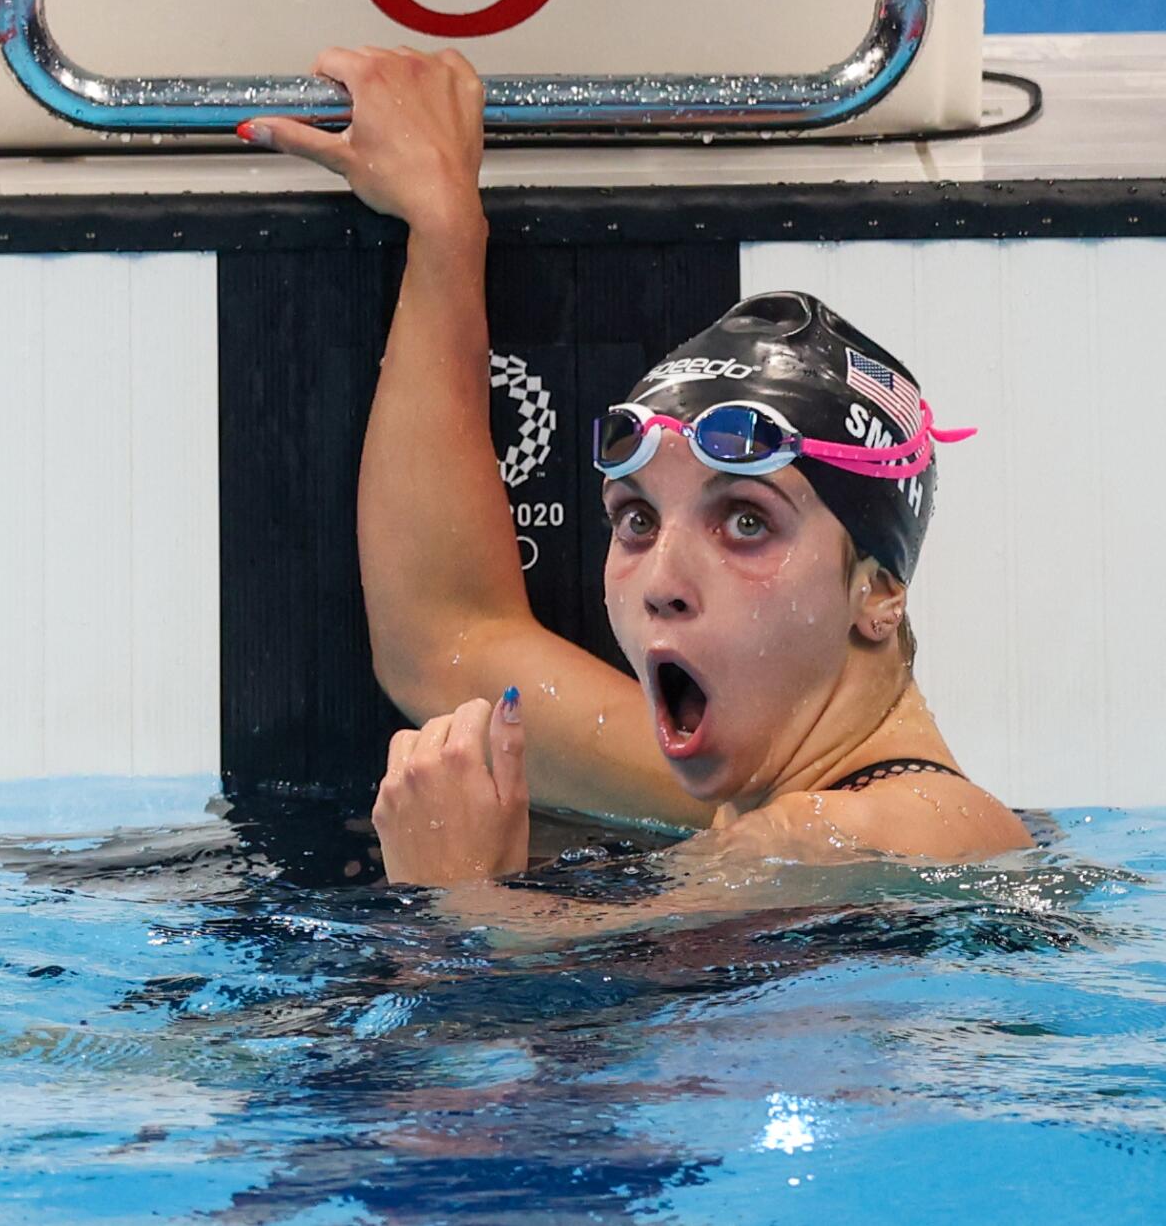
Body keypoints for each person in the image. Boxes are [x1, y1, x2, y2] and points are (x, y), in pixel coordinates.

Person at [237, 45, 1034, 899]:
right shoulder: (765, 791)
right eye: (638, 520)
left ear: (878, 592)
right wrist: (443, 225)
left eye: (746, 522)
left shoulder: (857, 835)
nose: (663, 582)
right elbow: (447, 641)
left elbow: (581, 1014)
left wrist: (460, 893)